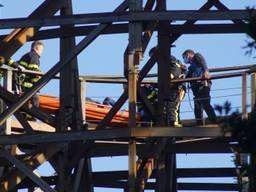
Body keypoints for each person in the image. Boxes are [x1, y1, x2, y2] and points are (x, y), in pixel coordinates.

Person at [182, 49, 217, 125]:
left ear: (188, 54)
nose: (184, 59)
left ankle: (214, 121)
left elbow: (203, 62)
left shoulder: (196, 56)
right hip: (196, 89)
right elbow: (187, 76)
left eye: (184, 57)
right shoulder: (191, 67)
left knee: (205, 104)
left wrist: (206, 71)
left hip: (203, 85)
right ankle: (199, 124)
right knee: (197, 108)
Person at [166, 56, 186, 128]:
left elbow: (173, 74)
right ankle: (175, 122)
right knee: (173, 106)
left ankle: (174, 123)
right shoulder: (175, 65)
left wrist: (167, 77)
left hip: (177, 88)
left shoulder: (174, 65)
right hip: (175, 88)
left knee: (173, 106)